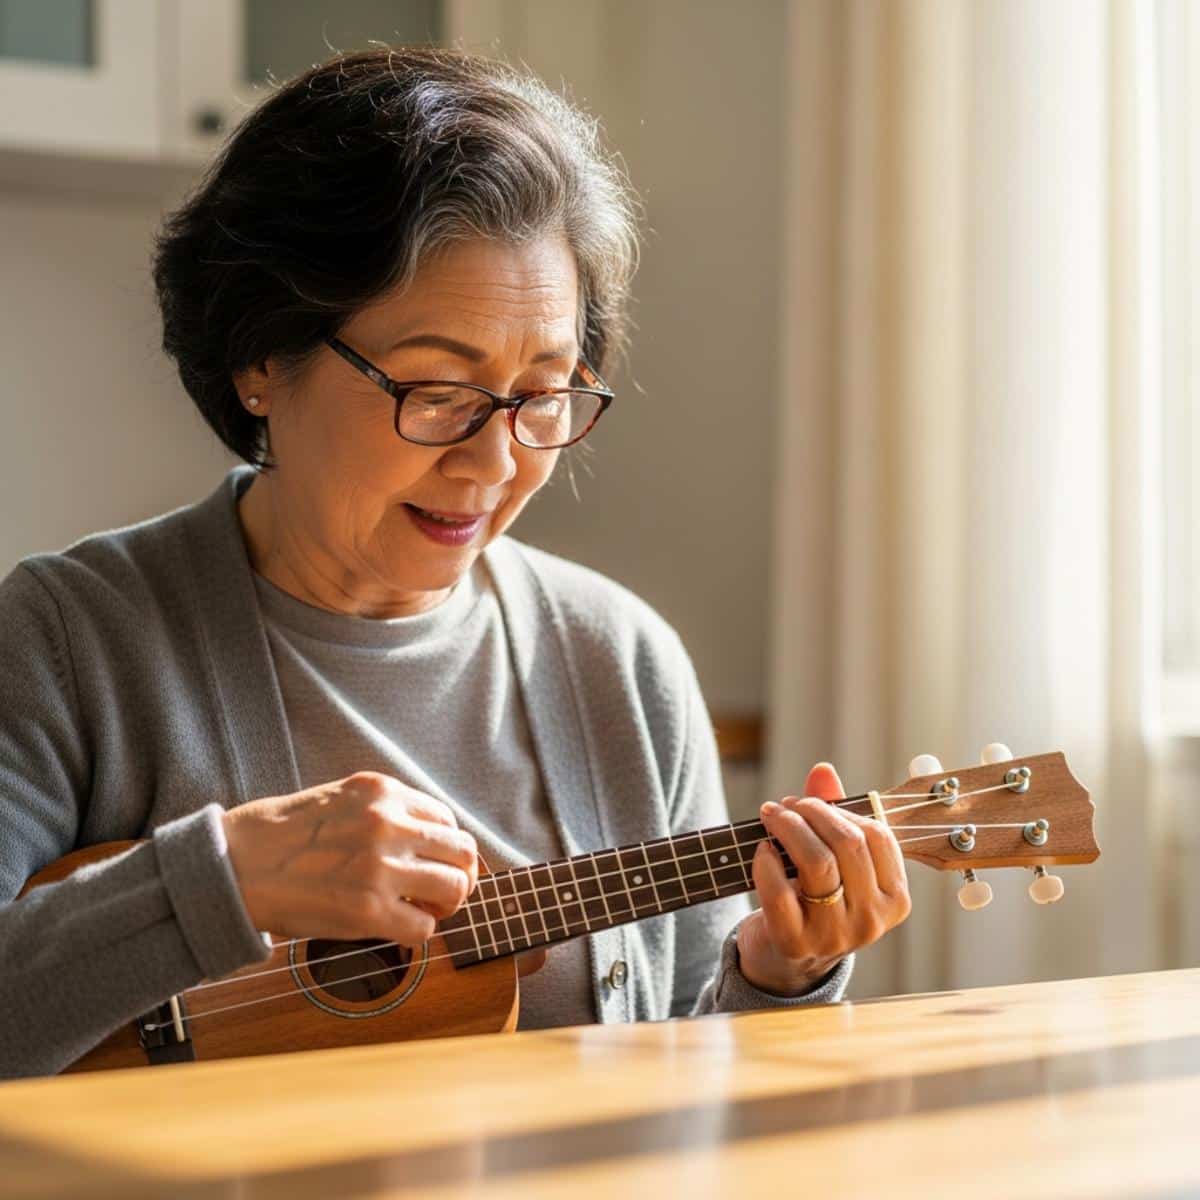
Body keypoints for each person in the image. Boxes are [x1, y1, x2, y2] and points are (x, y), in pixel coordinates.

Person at [0, 47, 910, 1079]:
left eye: (545, 394)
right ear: (263, 356)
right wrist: (225, 882)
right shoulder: (68, 640)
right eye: (436, 389)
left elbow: (696, 1091)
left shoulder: (618, 659)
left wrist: (783, 972)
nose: (495, 459)